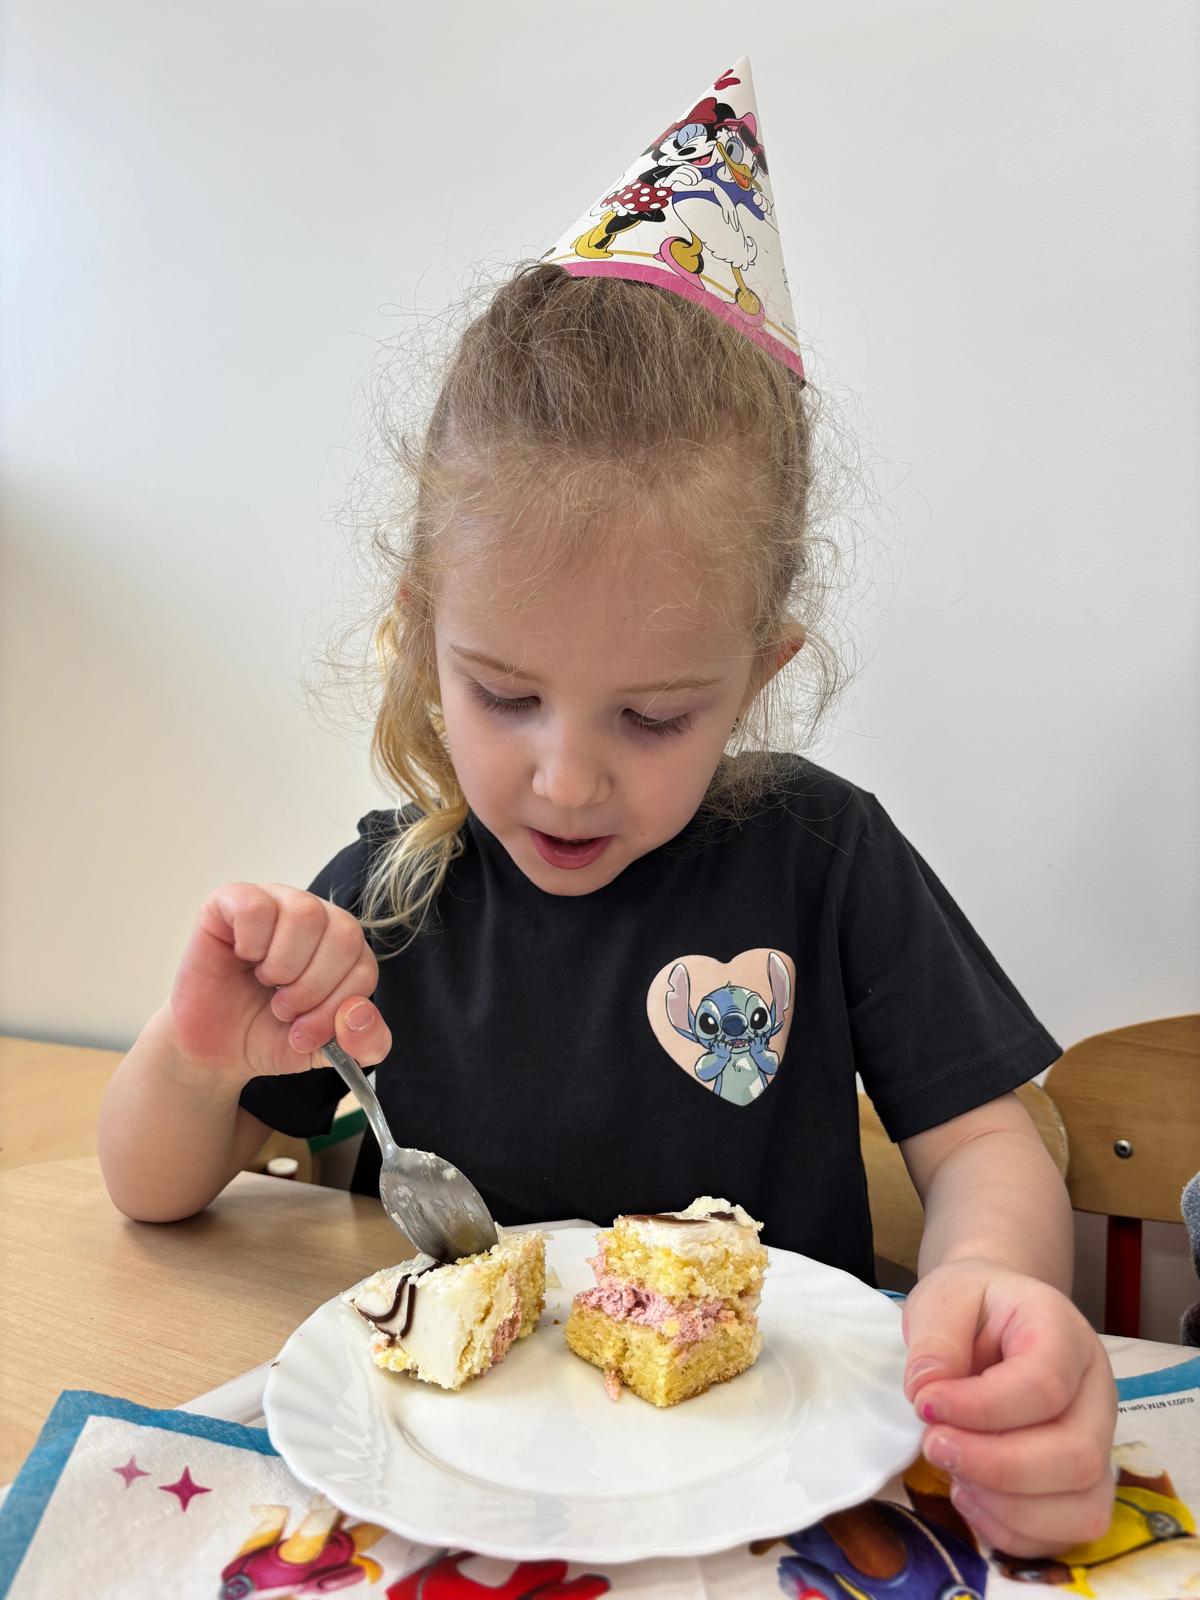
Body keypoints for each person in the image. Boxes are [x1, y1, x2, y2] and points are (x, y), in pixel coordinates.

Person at [98, 58, 1116, 1561]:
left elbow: (985, 1146)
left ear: (758, 675)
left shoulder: (823, 857)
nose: (567, 778)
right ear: (423, 635)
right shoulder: (391, 901)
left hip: (791, 1493)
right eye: (504, 693)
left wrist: (998, 1288)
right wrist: (198, 1057)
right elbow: (150, 1192)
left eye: (653, 717)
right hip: (472, 1506)